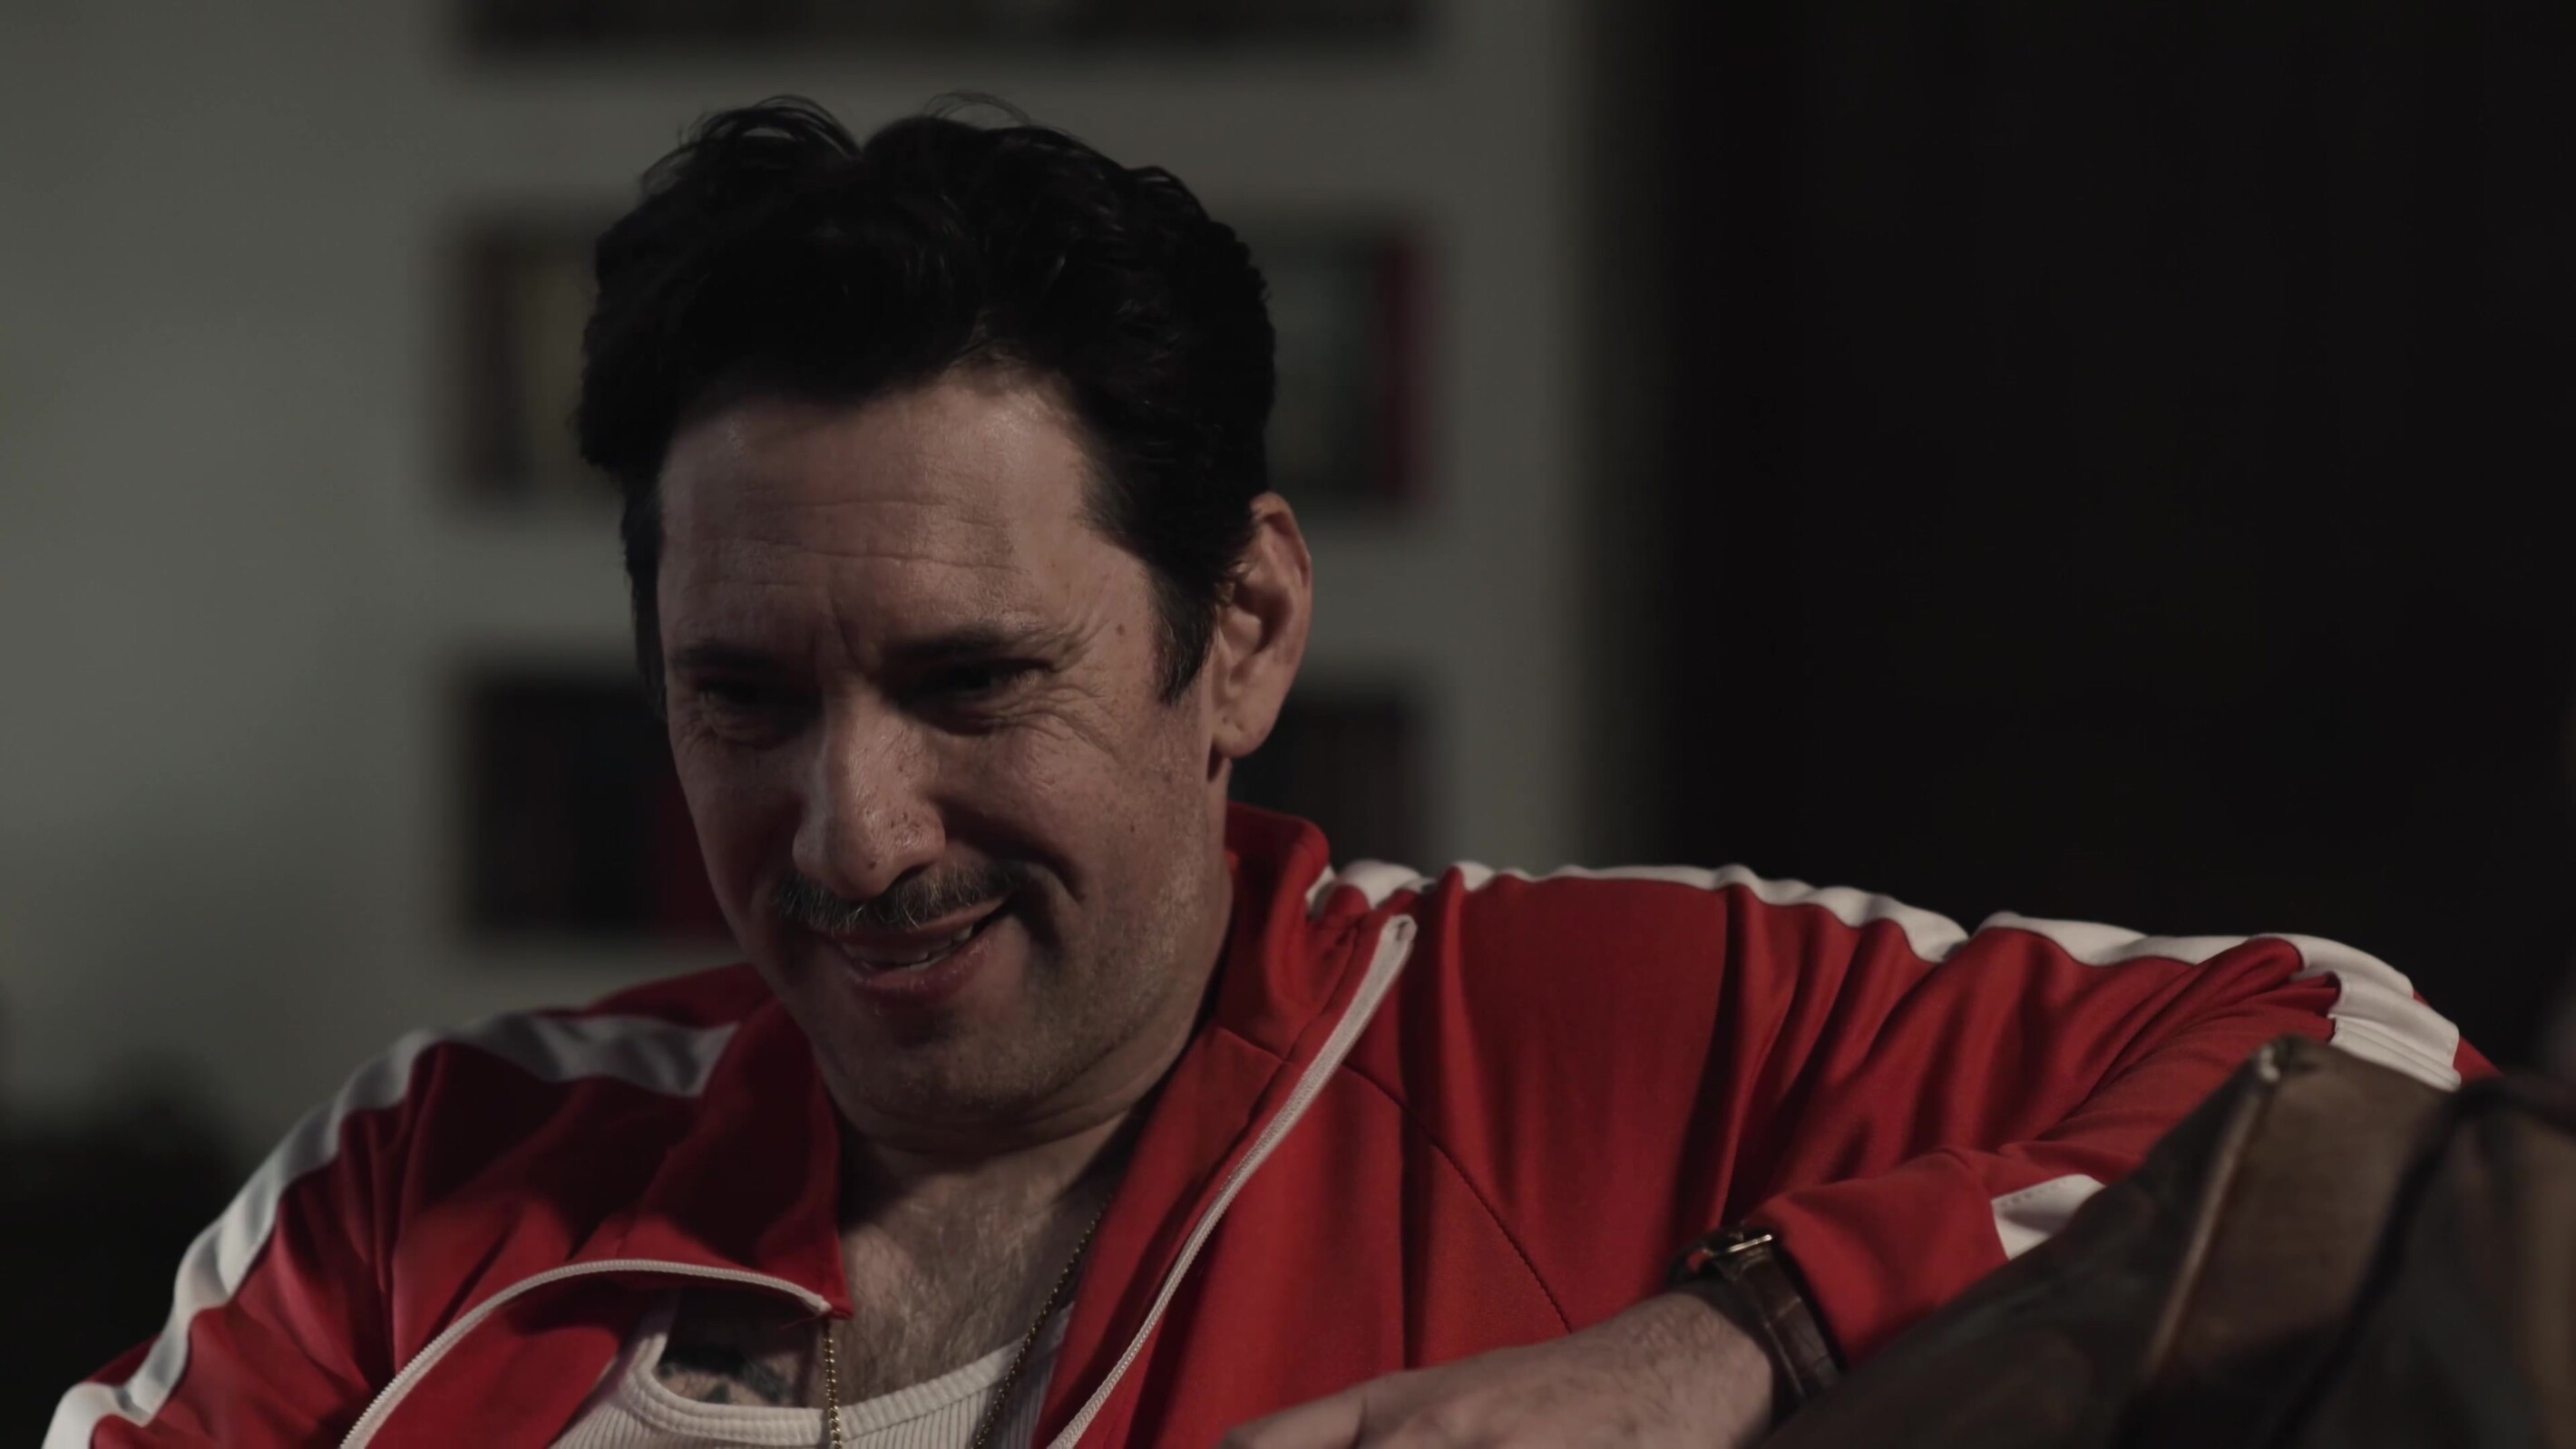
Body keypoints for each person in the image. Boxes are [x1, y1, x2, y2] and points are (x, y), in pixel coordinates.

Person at [47, 98, 2487, 1449]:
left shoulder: (1585, 1033)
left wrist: (1715, 1351)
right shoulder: (419, 1179)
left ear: (1240, 633)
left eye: (974, 683)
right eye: (746, 701)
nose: (852, 834)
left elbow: (2377, 1082)